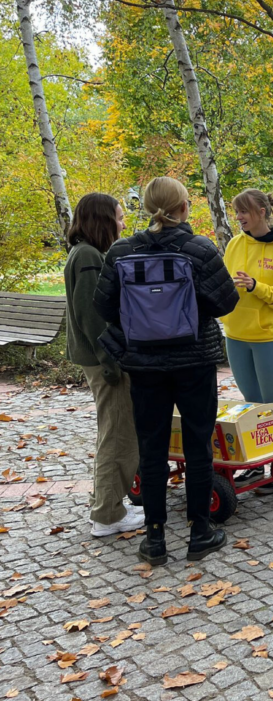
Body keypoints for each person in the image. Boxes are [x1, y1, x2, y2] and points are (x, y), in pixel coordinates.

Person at [94, 176, 239, 565]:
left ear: (145, 208)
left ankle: (155, 538)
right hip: (194, 361)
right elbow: (227, 301)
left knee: (152, 449)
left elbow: (105, 307)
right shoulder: (199, 248)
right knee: (197, 446)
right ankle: (199, 532)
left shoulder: (122, 251)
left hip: (144, 365)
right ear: (183, 208)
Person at [64, 193, 144, 537]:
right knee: (118, 436)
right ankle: (107, 515)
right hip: (104, 362)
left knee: (116, 432)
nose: (123, 223)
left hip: (100, 359)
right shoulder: (88, 256)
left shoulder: (86, 252)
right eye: (119, 217)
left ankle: (110, 506)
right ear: (103, 219)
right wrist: (112, 363)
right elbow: (91, 315)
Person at [221, 189, 273, 490]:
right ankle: (255, 466)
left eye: (244, 211)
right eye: (236, 211)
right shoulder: (234, 244)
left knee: (272, 406)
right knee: (251, 405)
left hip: (269, 337)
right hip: (236, 335)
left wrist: (257, 286)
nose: (239, 217)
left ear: (263, 212)